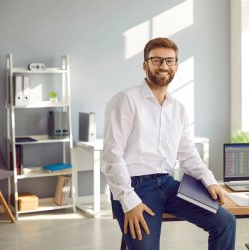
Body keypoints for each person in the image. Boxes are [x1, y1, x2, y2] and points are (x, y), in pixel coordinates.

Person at [101, 37, 236, 250]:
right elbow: (111, 155)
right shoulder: (126, 100)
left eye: (170, 61)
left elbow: (187, 154)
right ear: (145, 65)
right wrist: (129, 201)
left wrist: (209, 181)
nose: (164, 66)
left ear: (176, 66)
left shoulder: (178, 108)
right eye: (157, 60)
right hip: (134, 187)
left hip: (167, 184)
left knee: (226, 222)